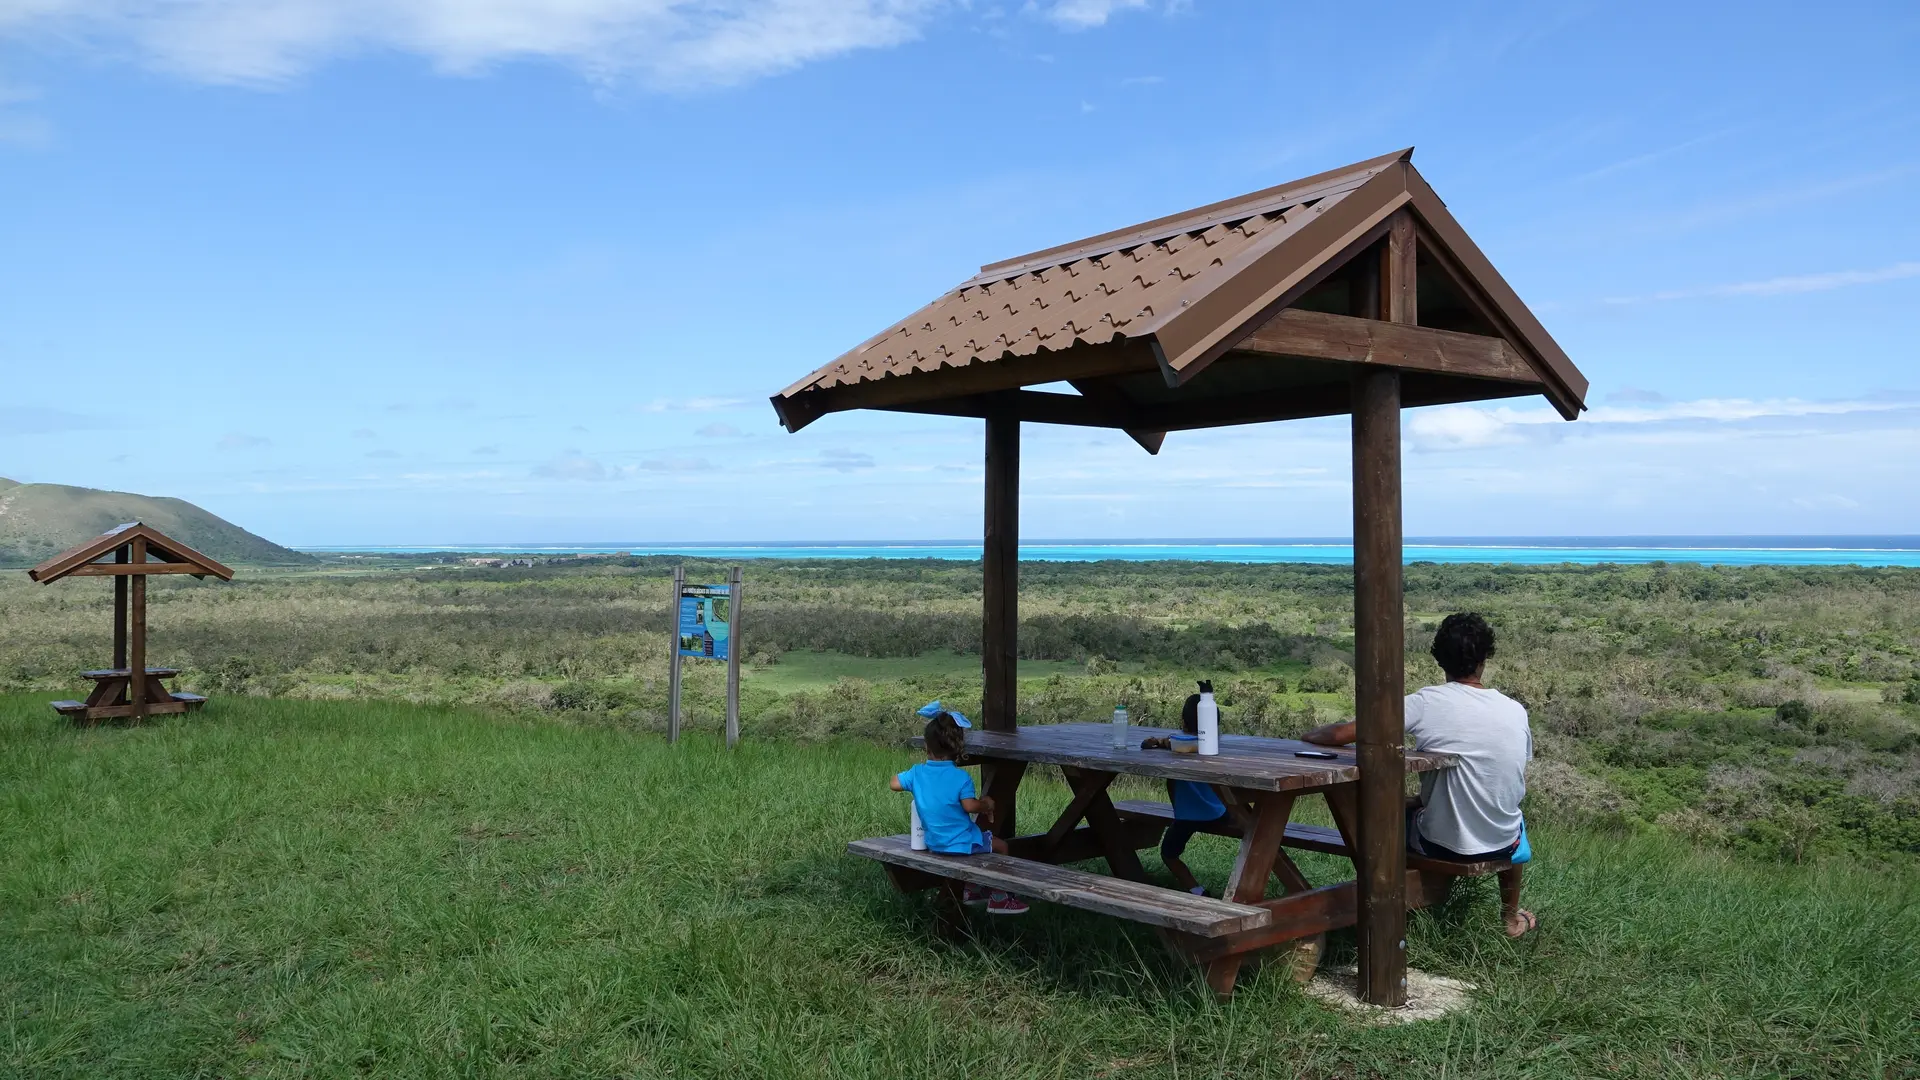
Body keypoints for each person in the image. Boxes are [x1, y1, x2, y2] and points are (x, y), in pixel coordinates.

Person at [1302, 612, 1536, 938]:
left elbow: (1343, 733)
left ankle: (1399, 906)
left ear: (1440, 658)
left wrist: (1310, 736)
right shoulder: (1514, 709)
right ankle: (1510, 918)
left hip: (1440, 844)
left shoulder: (1425, 703)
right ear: (1485, 658)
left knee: (1391, 817)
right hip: (1503, 844)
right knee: (1514, 819)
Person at [890, 706, 1028, 916]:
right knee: (1001, 846)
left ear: (927, 747)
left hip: (935, 843)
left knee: (980, 841)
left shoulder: (917, 773)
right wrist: (986, 804)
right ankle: (1000, 898)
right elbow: (970, 806)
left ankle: (973, 891)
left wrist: (917, 778)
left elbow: (894, 783)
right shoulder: (961, 778)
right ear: (957, 748)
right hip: (960, 843)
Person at [1161, 693, 1231, 896]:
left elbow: (1168, 742)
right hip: (1221, 812)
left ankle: (1196, 890)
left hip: (1186, 817)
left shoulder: (1177, 745)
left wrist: (1159, 742)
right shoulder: (1214, 746)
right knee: (1249, 826)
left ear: (1183, 722)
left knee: (1168, 854)